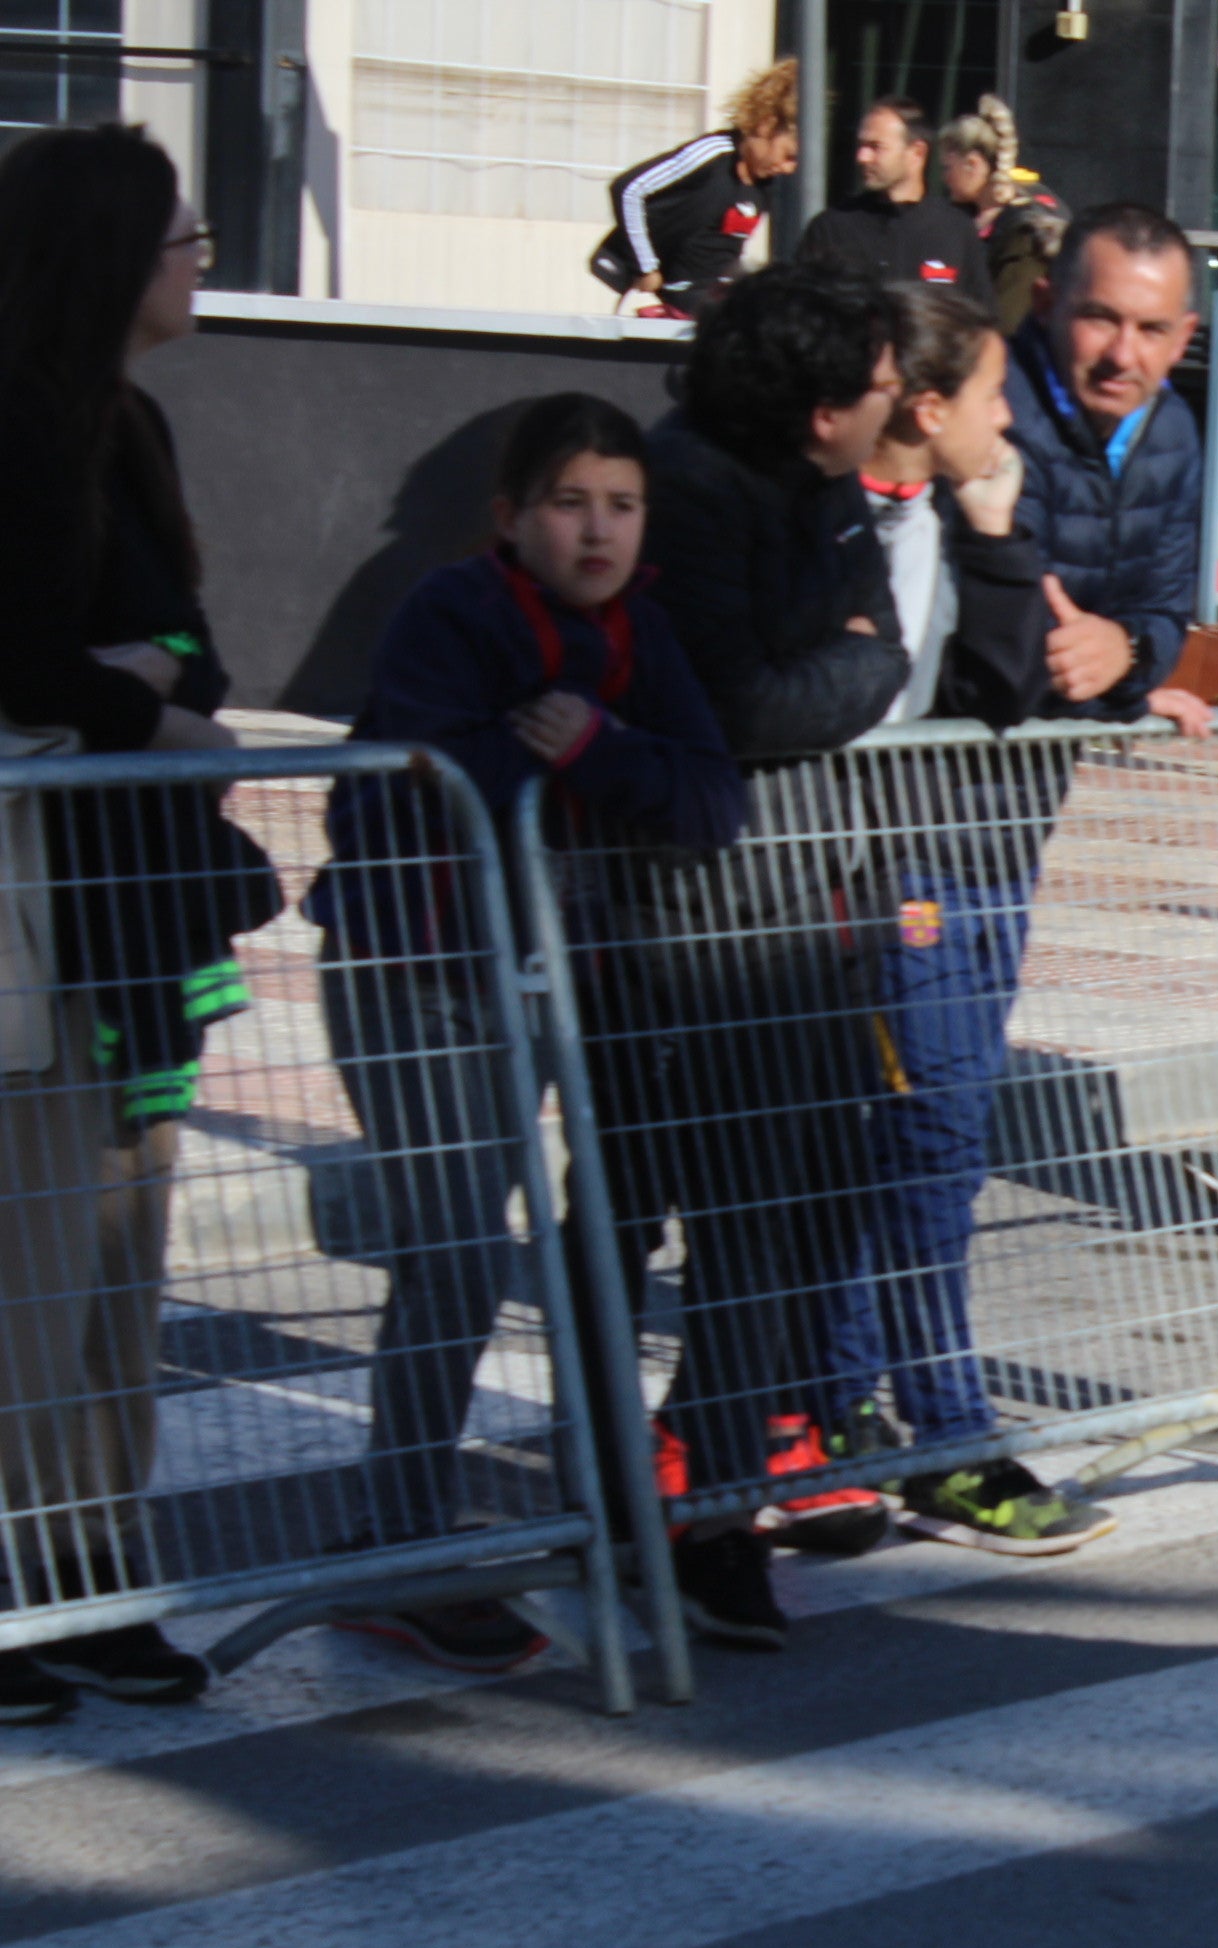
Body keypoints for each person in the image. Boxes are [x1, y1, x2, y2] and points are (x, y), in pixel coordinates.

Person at [310, 395, 743, 1674]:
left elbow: (708, 796)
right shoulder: (452, 612)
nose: (598, 529)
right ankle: (396, 1539)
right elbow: (409, 783)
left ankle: (599, 1503)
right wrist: (543, 758)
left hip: (569, 977)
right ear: (511, 517)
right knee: (453, 1255)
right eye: (570, 503)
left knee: (594, 1249)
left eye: (622, 504)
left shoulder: (640, 630)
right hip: (423, 974)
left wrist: (601, 748)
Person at [0, 125, 281, 1721]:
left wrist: (160, 688)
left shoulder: (134, 424)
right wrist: (153, 696)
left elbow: (192, 649)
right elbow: (40, 666)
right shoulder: (21, 431)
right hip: (44, 906)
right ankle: (14, 1587)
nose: (198, 255)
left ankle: (92, 1573)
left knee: (121, 1257)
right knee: (35, 1258)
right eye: (180, 233)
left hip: (136, 905)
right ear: (108, 253)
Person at [811, 282, 1153, 1554]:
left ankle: (846, 1407)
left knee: (924, 1138)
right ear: (924, 403)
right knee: (927, 1144)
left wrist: (1004, 530)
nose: (1011, 421)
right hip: (878, 875)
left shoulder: (974, 510)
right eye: (993, 399)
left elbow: (1011, 684)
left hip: (970, 860)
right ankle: (929, 1423)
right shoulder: (836, 515)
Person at [619, 262, 908, 1651]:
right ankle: (690, 1512)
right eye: (876, 387)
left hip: (813, 899)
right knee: (723, 1218)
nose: (895, 406)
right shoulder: (690, 486)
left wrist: (847, 669)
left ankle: (709, 1474)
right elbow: (732, 703)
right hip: (710, 914)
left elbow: (885, 653)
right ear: (814, 408)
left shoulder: (825, 488)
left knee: (810, 1203)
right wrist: (845, 670)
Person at [1002, 204, 1204, 723]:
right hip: (920, 766)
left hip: (1035, 769)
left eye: (1152, 329)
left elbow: (1165, 611)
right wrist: (1123, 700)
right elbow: (1000, 636)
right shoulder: (994, 416)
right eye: (1101, 318)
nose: (1123, 353)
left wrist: (1127, 650)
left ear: (1184, 337)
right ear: (1045, 304)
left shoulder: (1172, 431)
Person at [597, 57, 798, 317]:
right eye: (788, 155)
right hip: (675, 300)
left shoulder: (764, 186)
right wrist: (646, 267)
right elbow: (628, 190)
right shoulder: (711, 155)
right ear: (766, 125)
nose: (789, 168)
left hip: (714, 301)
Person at [801, 94, 992, 305]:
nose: (862, 157)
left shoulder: (955, 230)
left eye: (876, 147)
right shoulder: (832, 229)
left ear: (916, 153)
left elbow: (982, 325)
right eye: (861, 146)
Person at [938, 94, 1066, 331]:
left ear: (972, 165)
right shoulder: (969, 215)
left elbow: (1008, 322)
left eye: (947, 167)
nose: (944, 179)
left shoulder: (1024, 231)